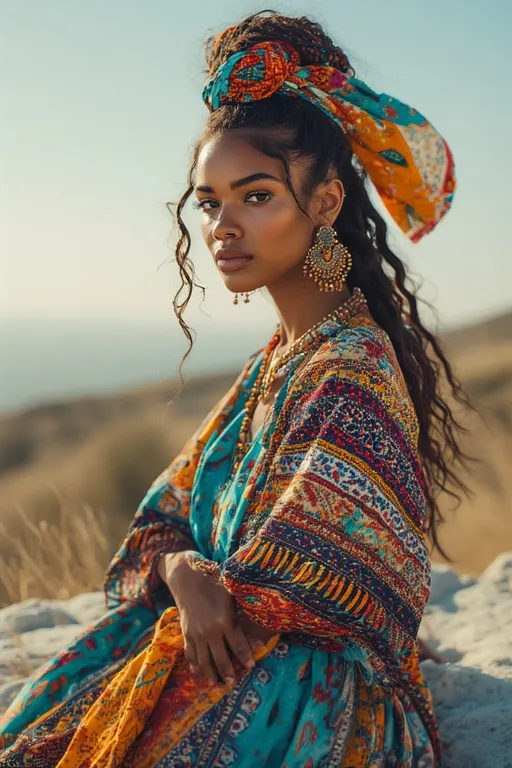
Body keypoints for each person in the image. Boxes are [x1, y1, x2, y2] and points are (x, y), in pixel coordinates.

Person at [0, 10, 470, 767]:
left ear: (325, 204)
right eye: (210, 200)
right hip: (224, 646)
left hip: (299, 687)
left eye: (255, 196)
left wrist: (213, 589)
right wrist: (186, 572)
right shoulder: (276, 360)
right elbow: (163, 518)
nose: (222, 225)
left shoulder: (352, 368)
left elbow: (313, 585)